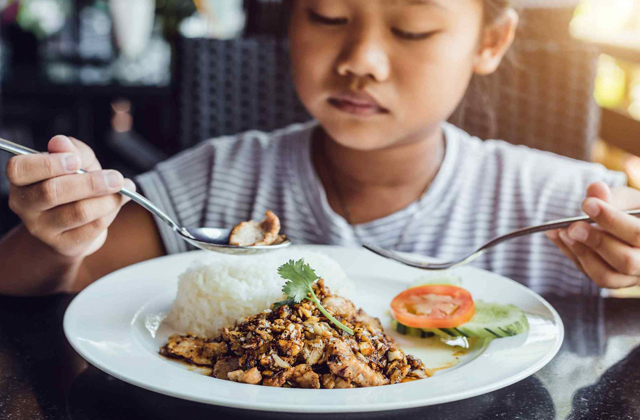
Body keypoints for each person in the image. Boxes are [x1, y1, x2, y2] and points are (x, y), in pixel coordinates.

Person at [1, 0, 640, 297]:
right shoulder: (221, 180)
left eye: (411, 28)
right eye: (329, 16)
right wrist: (64, 235)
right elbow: (40, 279)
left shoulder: (559, 205)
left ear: (490, 42)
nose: (359, 61)